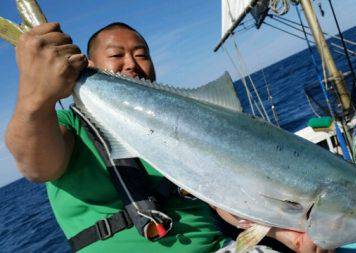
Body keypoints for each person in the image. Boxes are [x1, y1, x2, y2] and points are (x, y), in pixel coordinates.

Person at [5, 21, 331, 253]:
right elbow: (36, 166)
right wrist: (36, 98)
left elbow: (228, 197)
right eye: (117, 55)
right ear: (89, 64)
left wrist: (285, 234)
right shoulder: (62, 123)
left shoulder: (185, 122)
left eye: (141, 54)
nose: (132, 64)